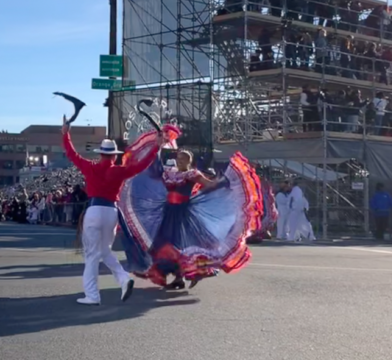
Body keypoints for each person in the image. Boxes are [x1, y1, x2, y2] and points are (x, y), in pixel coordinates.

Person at [118, 132, 264, 289]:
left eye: (184, 159)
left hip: (183, 213)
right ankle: (177, 277)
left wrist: (226, 182)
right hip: (168, 212)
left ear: (189, 161)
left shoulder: (193, 174)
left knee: (181, 245)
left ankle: (183, 276)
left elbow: (209, 185)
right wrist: (159, 145)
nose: (180, 160)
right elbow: (155, 168)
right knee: (163, 245)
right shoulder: (170, 173)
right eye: (179, 158)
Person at [62, 117, 163, 305]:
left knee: (92, 254)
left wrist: (65, 134)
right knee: (104, 251)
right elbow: (142, 165)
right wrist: (156, 147)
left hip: (94, 211)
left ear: (101, 154)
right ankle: (124, 279)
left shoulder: (90, 167)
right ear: (114, 156)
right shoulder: (120, 170)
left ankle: (92, 295)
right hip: (111, 212)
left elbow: (71, 154)